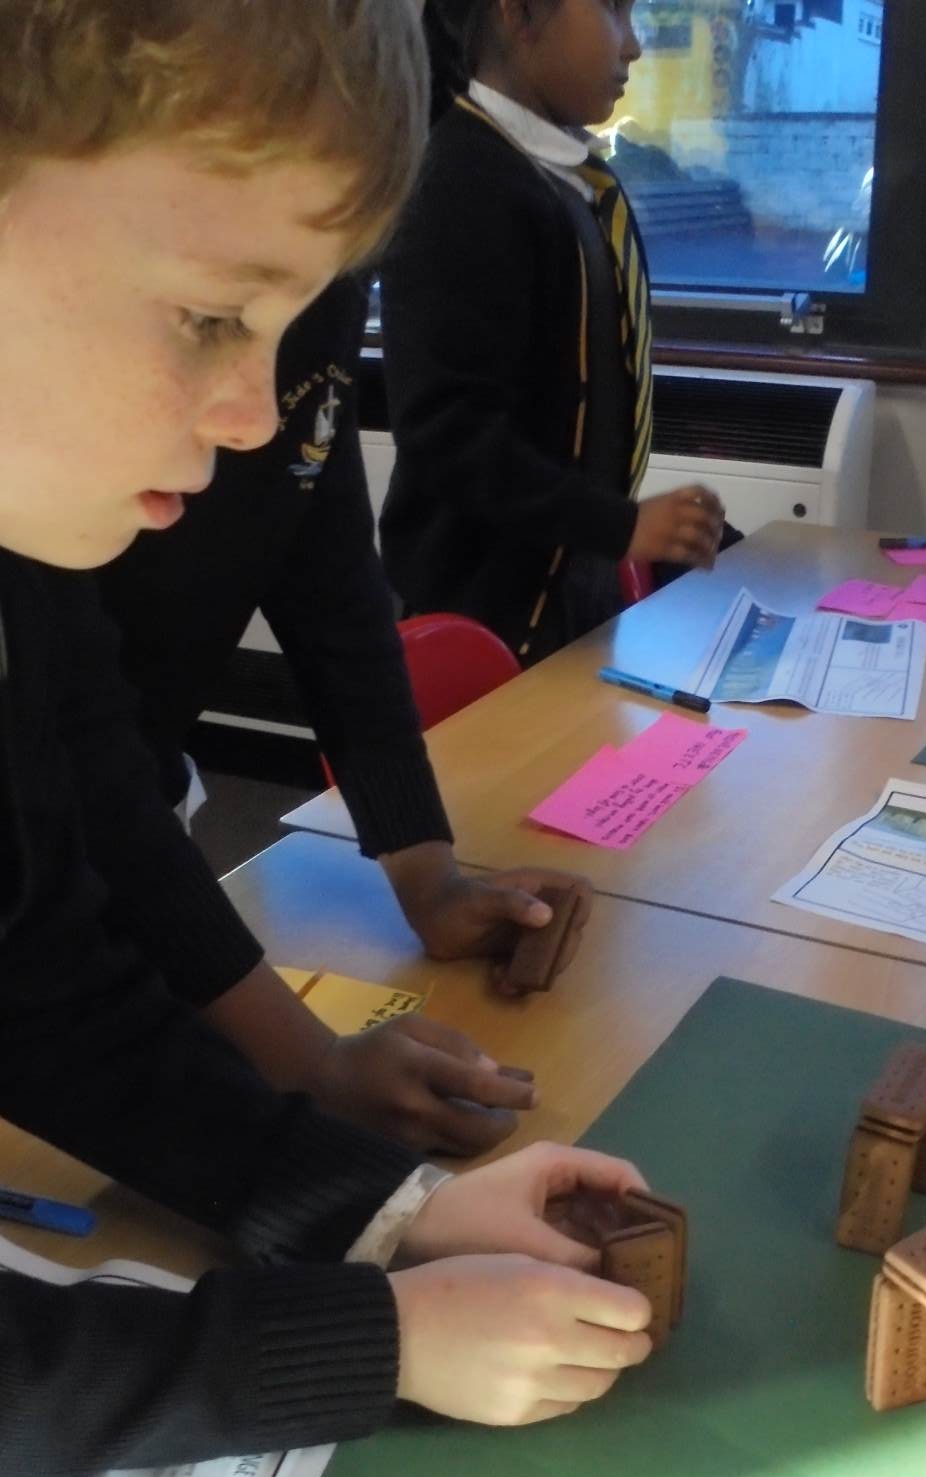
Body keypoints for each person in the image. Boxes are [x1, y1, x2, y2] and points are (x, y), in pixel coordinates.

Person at [0, 0, 654, 1477]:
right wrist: (376, 1343)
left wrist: (389, 1214)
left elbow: (39, 985)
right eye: (210, 317)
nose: (257, 418)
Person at [81, 268, 593, 1156]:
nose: (257, 421)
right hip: (67, 820)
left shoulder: (317, 291)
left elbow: (338, 601)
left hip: (125, 826)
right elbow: (74, 756)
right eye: (212, 323)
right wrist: (307, 1060)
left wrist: (428, 877)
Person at [378, 0, 726, 664]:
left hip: (567, 598)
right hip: (483, 618)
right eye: (613, 11)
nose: (633, 46)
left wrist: (656, 531)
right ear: (518, 14)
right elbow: (447, 434)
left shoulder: (566, 180)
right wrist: (619, 524)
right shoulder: (461, 182)